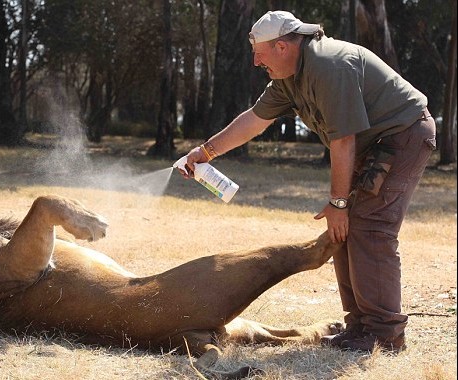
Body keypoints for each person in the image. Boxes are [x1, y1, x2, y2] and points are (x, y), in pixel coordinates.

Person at [181, 10, 436, 353]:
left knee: (371, 227)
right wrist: (206, 152)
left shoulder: (331, 66)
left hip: (402, 136)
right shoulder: (289, 77)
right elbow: (254, 121)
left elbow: (343, 141)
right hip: (373, 144)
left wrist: (338, 203)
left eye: (259, 52)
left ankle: (386, 334)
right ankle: (359, 327)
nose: (256, 61)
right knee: (343, 232)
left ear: (283, 47)